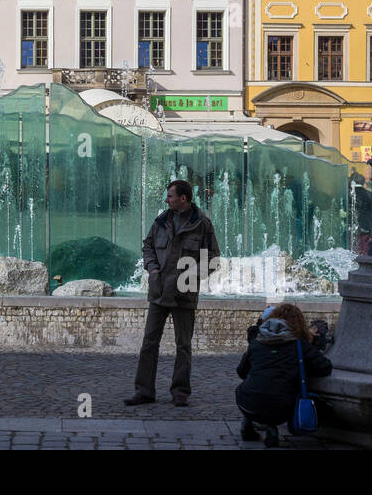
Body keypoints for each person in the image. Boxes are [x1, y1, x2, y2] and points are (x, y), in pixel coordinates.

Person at [124, 179, 220, 408]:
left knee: (183, 345)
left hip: (184, 293)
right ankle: (144, 391)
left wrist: (191, 277)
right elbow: (148, 246)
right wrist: (153, 268)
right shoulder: (161, 220)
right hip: (159, 290)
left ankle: (180, 393)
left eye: (170, 196)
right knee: (149, 342)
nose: (167, 200)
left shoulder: (202, 224)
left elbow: (213, 259)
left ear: (183, 198)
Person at [235, 302, 333, 447]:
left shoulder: (257, 342)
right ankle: (271, 427)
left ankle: (249, 422)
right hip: (282, 407)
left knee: (255, 389)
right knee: (277, 396)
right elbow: (324, 367)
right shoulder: (299, 344)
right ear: (298, 323)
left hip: (246, 401)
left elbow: (241, 371)